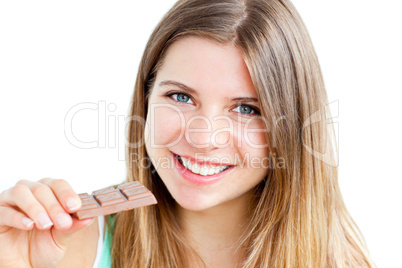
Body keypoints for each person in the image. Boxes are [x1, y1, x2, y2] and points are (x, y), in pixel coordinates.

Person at [0, 0, 376, 267]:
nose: (203, 137)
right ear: (146, 99)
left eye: (246, 109)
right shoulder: (68, 250)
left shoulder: (340, 262)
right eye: (180, 96)